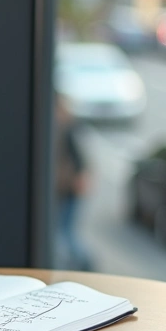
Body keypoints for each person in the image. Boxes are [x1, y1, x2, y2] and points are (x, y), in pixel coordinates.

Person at [54, 96, 93, 271]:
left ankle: (87, 266)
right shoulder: (68, 127)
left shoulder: (69, 130)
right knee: (66, 232)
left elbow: (80, 161)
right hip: (66, 189)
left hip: (69, 190)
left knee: (66, 233)